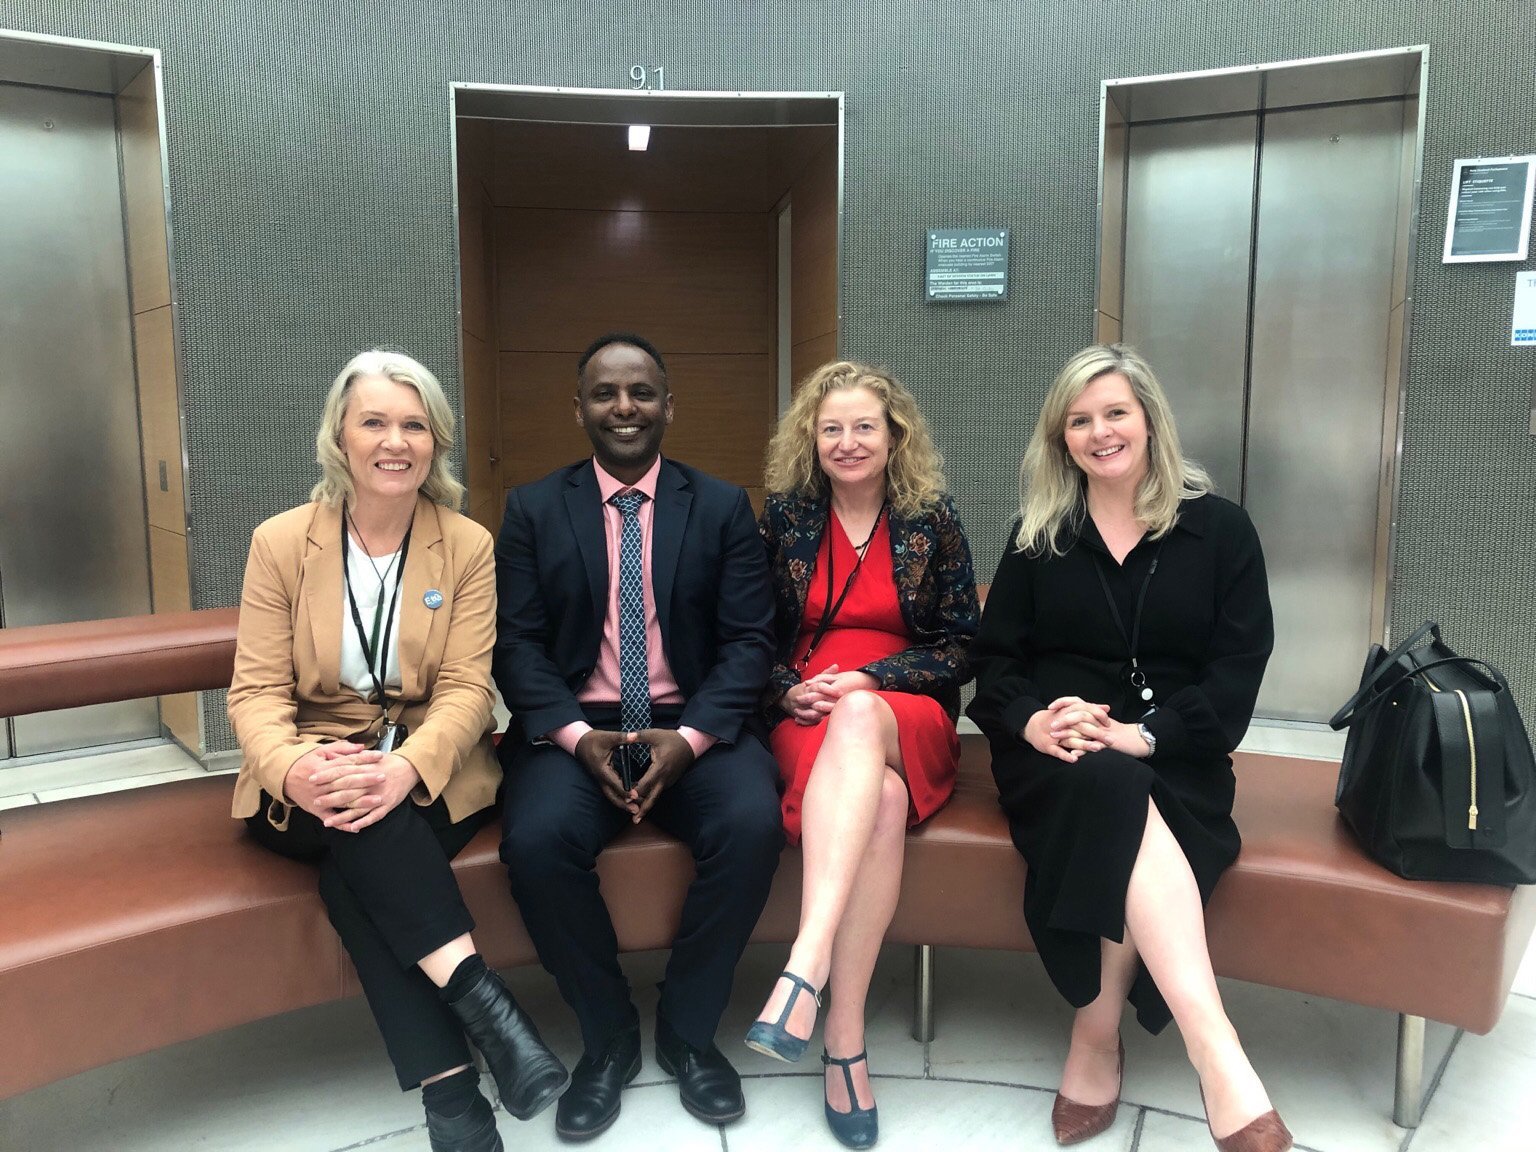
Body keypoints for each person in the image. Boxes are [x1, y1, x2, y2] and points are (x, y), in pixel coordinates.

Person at [227, 350, 567, 1152]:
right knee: (361, 824)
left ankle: (456, 1105)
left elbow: (466, 689)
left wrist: (406, 766)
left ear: (436, 442)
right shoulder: (281, 543)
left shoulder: (467, 545)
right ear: (339, 438)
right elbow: (254, 694)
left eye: (414, 425)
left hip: (424, 767)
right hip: (307, 770)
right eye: (374, 421)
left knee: (363, 860)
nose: (395, 441)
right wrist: (294, 770)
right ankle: (493, 1014)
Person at [966, 344, 1290, 1152]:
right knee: (1104, 780)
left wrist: (1148, 735)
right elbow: (995, 665)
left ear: (1149, 420)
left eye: (1115, 412)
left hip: (1178, 751)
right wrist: (1035, 721)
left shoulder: (1219, 530)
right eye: (1079, 420)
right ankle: (1219, 1054)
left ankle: (1097, 1029)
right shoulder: (1040, 535)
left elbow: (1237, 670)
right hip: (1055, 756)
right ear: (1060, 438)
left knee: (1121, 785)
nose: (1100, 432)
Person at [494, 332, 783, 1141]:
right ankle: (607, 1037)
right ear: (579, 407)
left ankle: (689, 1032)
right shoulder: (532, 508)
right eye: (605, 393)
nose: (625, 407)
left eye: (642, 392)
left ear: (667, 403)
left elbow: (749, 642)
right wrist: (576, 736)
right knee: (538, 842)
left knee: (753, 825)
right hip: (575, 732)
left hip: (690, 725)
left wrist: (689, 739)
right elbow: (514, 644)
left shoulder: (723, 505)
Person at [745, 362, 980, 1148]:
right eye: (831, 428)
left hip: (901, 711)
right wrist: (784, 690)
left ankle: (802, 966)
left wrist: (870, 678)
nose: (848, 442)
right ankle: (843, 1040)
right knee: (876, 799)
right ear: (811, 439)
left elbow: (961, 646)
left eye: (864, 427)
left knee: (857, 719)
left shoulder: (931, 517)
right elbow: (749, 636)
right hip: (806, 711)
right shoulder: (783, 518)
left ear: (894, 436)